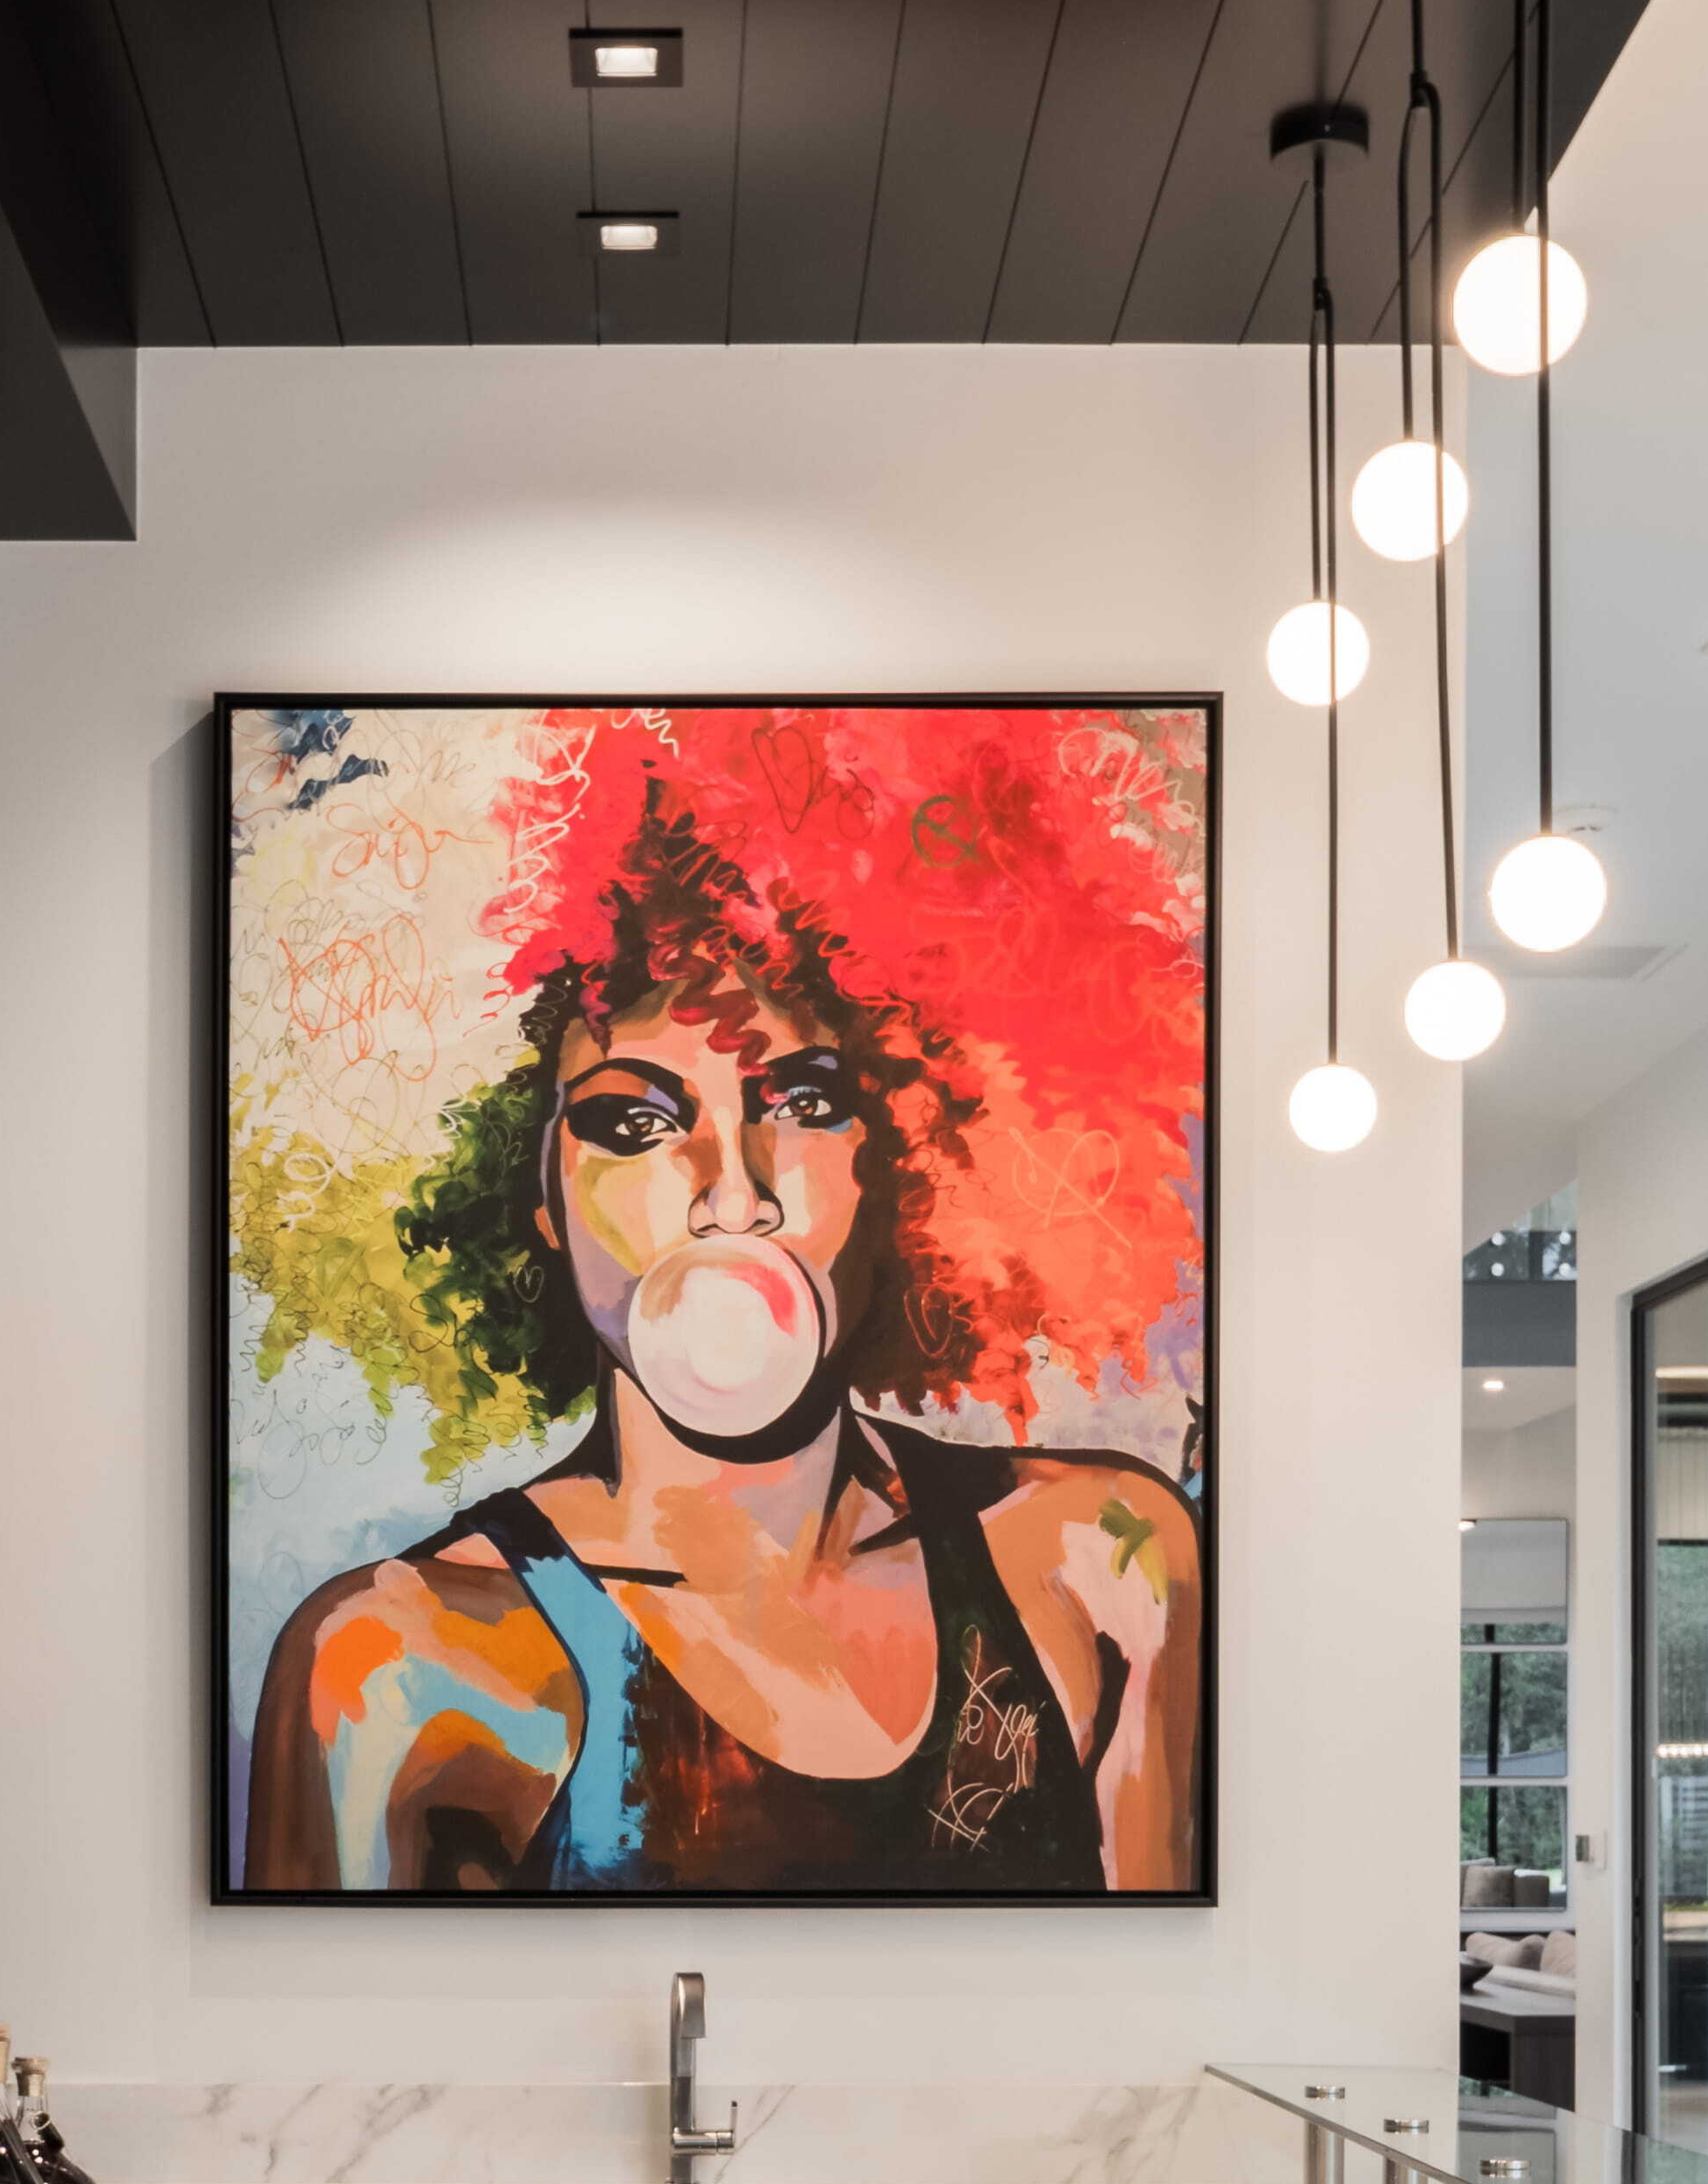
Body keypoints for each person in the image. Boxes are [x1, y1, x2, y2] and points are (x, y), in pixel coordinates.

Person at [243, 762, 1203, 1894]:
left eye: (802, 1104)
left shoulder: (1098, 1554)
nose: (730, 1194)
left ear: (901, 1163)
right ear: (540, 1199)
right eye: (634, 1122)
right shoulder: (401, 1659)